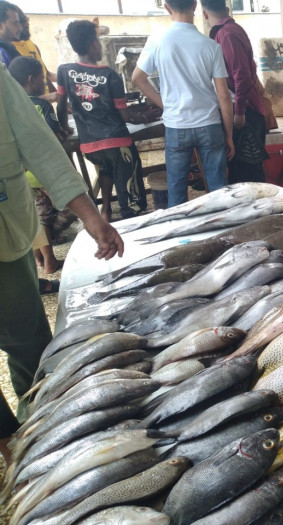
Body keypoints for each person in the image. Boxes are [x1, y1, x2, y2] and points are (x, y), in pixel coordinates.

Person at [0, 62, 124, 463]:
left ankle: (39, 429)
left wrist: (91, 217)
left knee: (29, 343)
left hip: (4, 235)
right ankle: (12, 447)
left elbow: (39, 146)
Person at [132, 0, 235, 207]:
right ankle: (222, 225)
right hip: (209, 125)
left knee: (177, 192)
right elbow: (224, 96)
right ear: (195, 6)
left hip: (176, 126)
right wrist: (229, 136)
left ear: (167, 8)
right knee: (218, 191)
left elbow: (137, 78)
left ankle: (179, 226)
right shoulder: (211, 46)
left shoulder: (157, 41)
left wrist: (164, 104)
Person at [57, 20, 148, 222]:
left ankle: (106, 211)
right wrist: (142, 117)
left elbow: (61, 106)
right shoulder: (109, 75)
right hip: (118, 144)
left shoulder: (64, 71)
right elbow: (125, 116)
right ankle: (131, 219)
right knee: (130, 196)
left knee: (106, 170)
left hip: (90, 146)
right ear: (94, 45)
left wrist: (63, 127)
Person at [9, 56, 76, 274]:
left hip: (24, 173)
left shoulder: (10, 107)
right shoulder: (41, 105)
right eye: (42, 78)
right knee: (71, 209)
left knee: (41, 217)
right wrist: (65, 131)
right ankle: (53, 237)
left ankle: (47, 261)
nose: (45, 83)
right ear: (31, 80)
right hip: (44, 171)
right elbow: (53, 137)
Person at [201, 0, 269, 185]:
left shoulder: (227, 34)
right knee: (240, 172)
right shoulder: (226, 32)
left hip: (245, 111)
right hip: (243, 107)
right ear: (226, 9)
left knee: (248, 173)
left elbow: (242, 77)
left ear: (204, 14)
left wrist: (239, 113)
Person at [13, 7, 58, 100]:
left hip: (44, 105)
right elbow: (16, 98)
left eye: (26, 19)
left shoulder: (31, 44)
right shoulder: (9, 51)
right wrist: (48, 98)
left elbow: (46, 75)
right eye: (21, 21)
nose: (26, 24)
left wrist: (60, 98)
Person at [0, 1, 20, 66]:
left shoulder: (8, 49)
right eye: (15, 23)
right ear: (1, 26)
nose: (20, 28)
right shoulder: (2, 53)